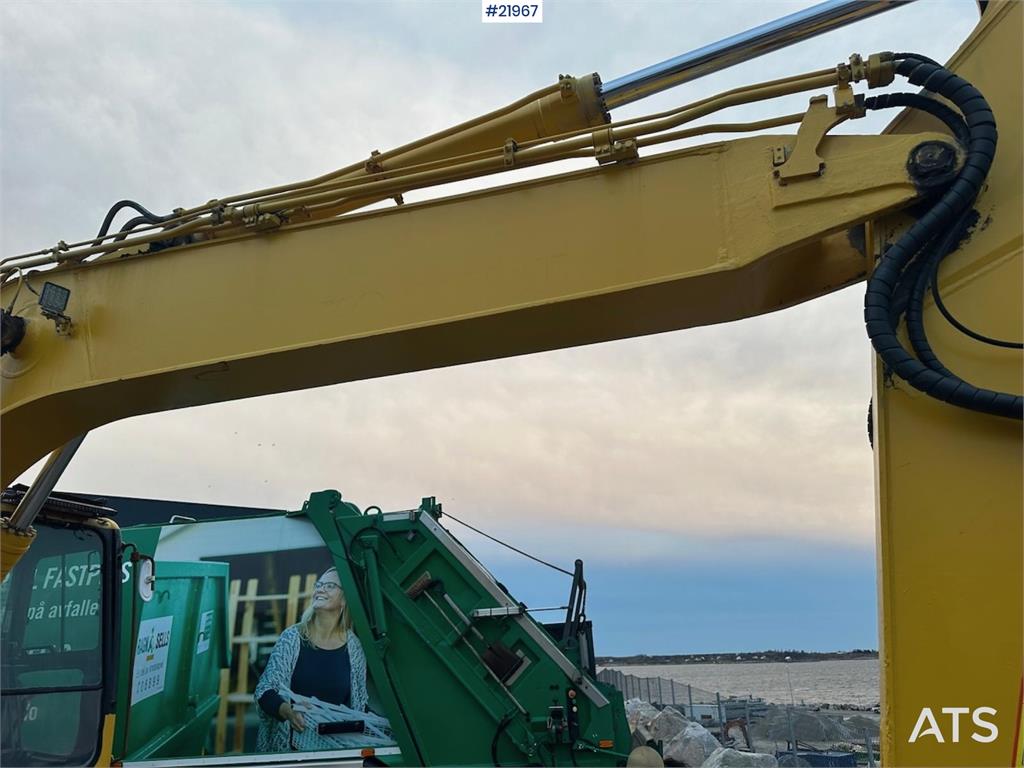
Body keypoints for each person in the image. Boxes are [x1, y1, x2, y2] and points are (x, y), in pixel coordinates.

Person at [254, 567, 375, 752]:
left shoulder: (354, 648)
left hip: (334, 751)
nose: (320, 589)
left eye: (330, 586)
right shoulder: (292, 638)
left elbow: (359, 704)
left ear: (344, 599)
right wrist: (287, 711)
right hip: (290, 751)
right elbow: (264, 691)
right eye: (319, 585)